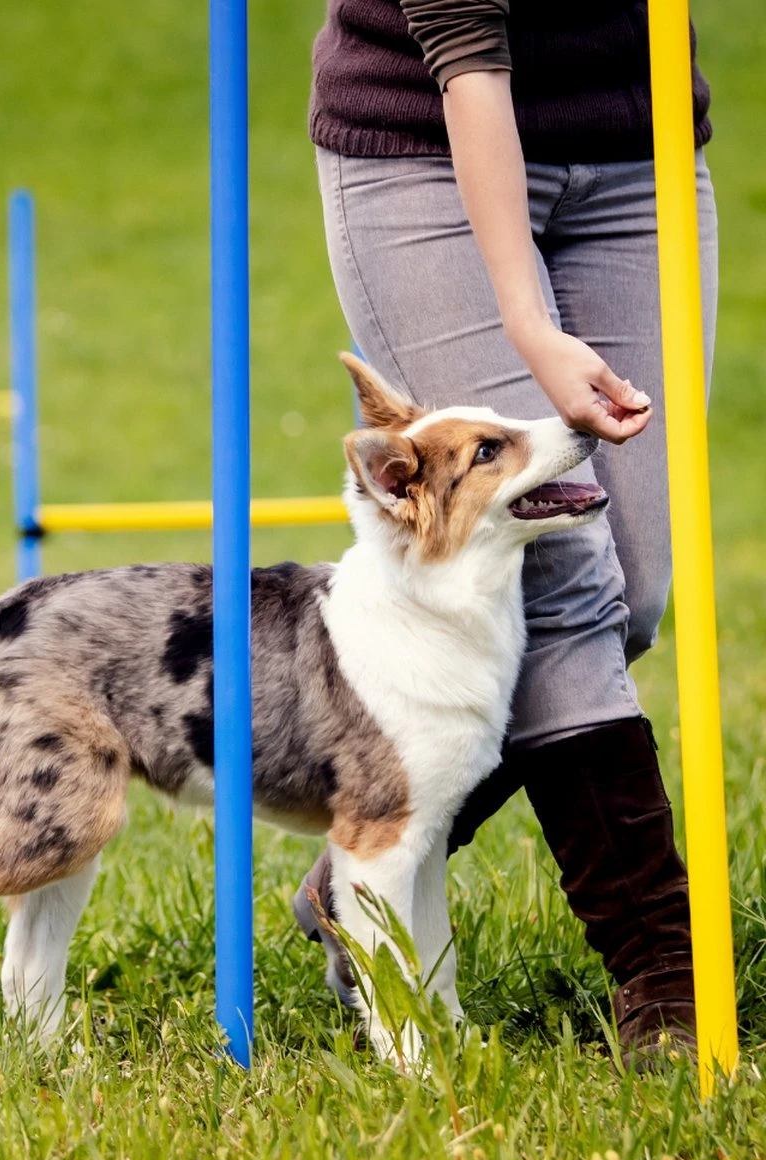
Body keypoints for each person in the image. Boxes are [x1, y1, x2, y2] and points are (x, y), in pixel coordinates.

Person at [292, 0, 716, 1065]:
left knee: (636, 591)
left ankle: (366, 865)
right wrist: (532, 328)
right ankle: (663, 983)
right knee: (568, 579)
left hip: (638, 145)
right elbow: (468, 56)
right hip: (427, 147)